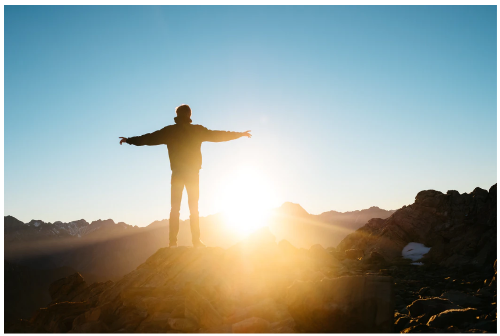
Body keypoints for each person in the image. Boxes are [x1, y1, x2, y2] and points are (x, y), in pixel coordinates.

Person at [119, 104, 251, 248]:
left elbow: (149, 138)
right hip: (193, 174)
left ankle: (172, 242)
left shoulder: (170, 131)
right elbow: (218, 135)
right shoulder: (197, 130)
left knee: (175, 208)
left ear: (177, 114)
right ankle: (196, 241)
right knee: (194, 208)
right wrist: (240, 134)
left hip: (177, 174)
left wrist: (129, 140)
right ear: (189, 115)